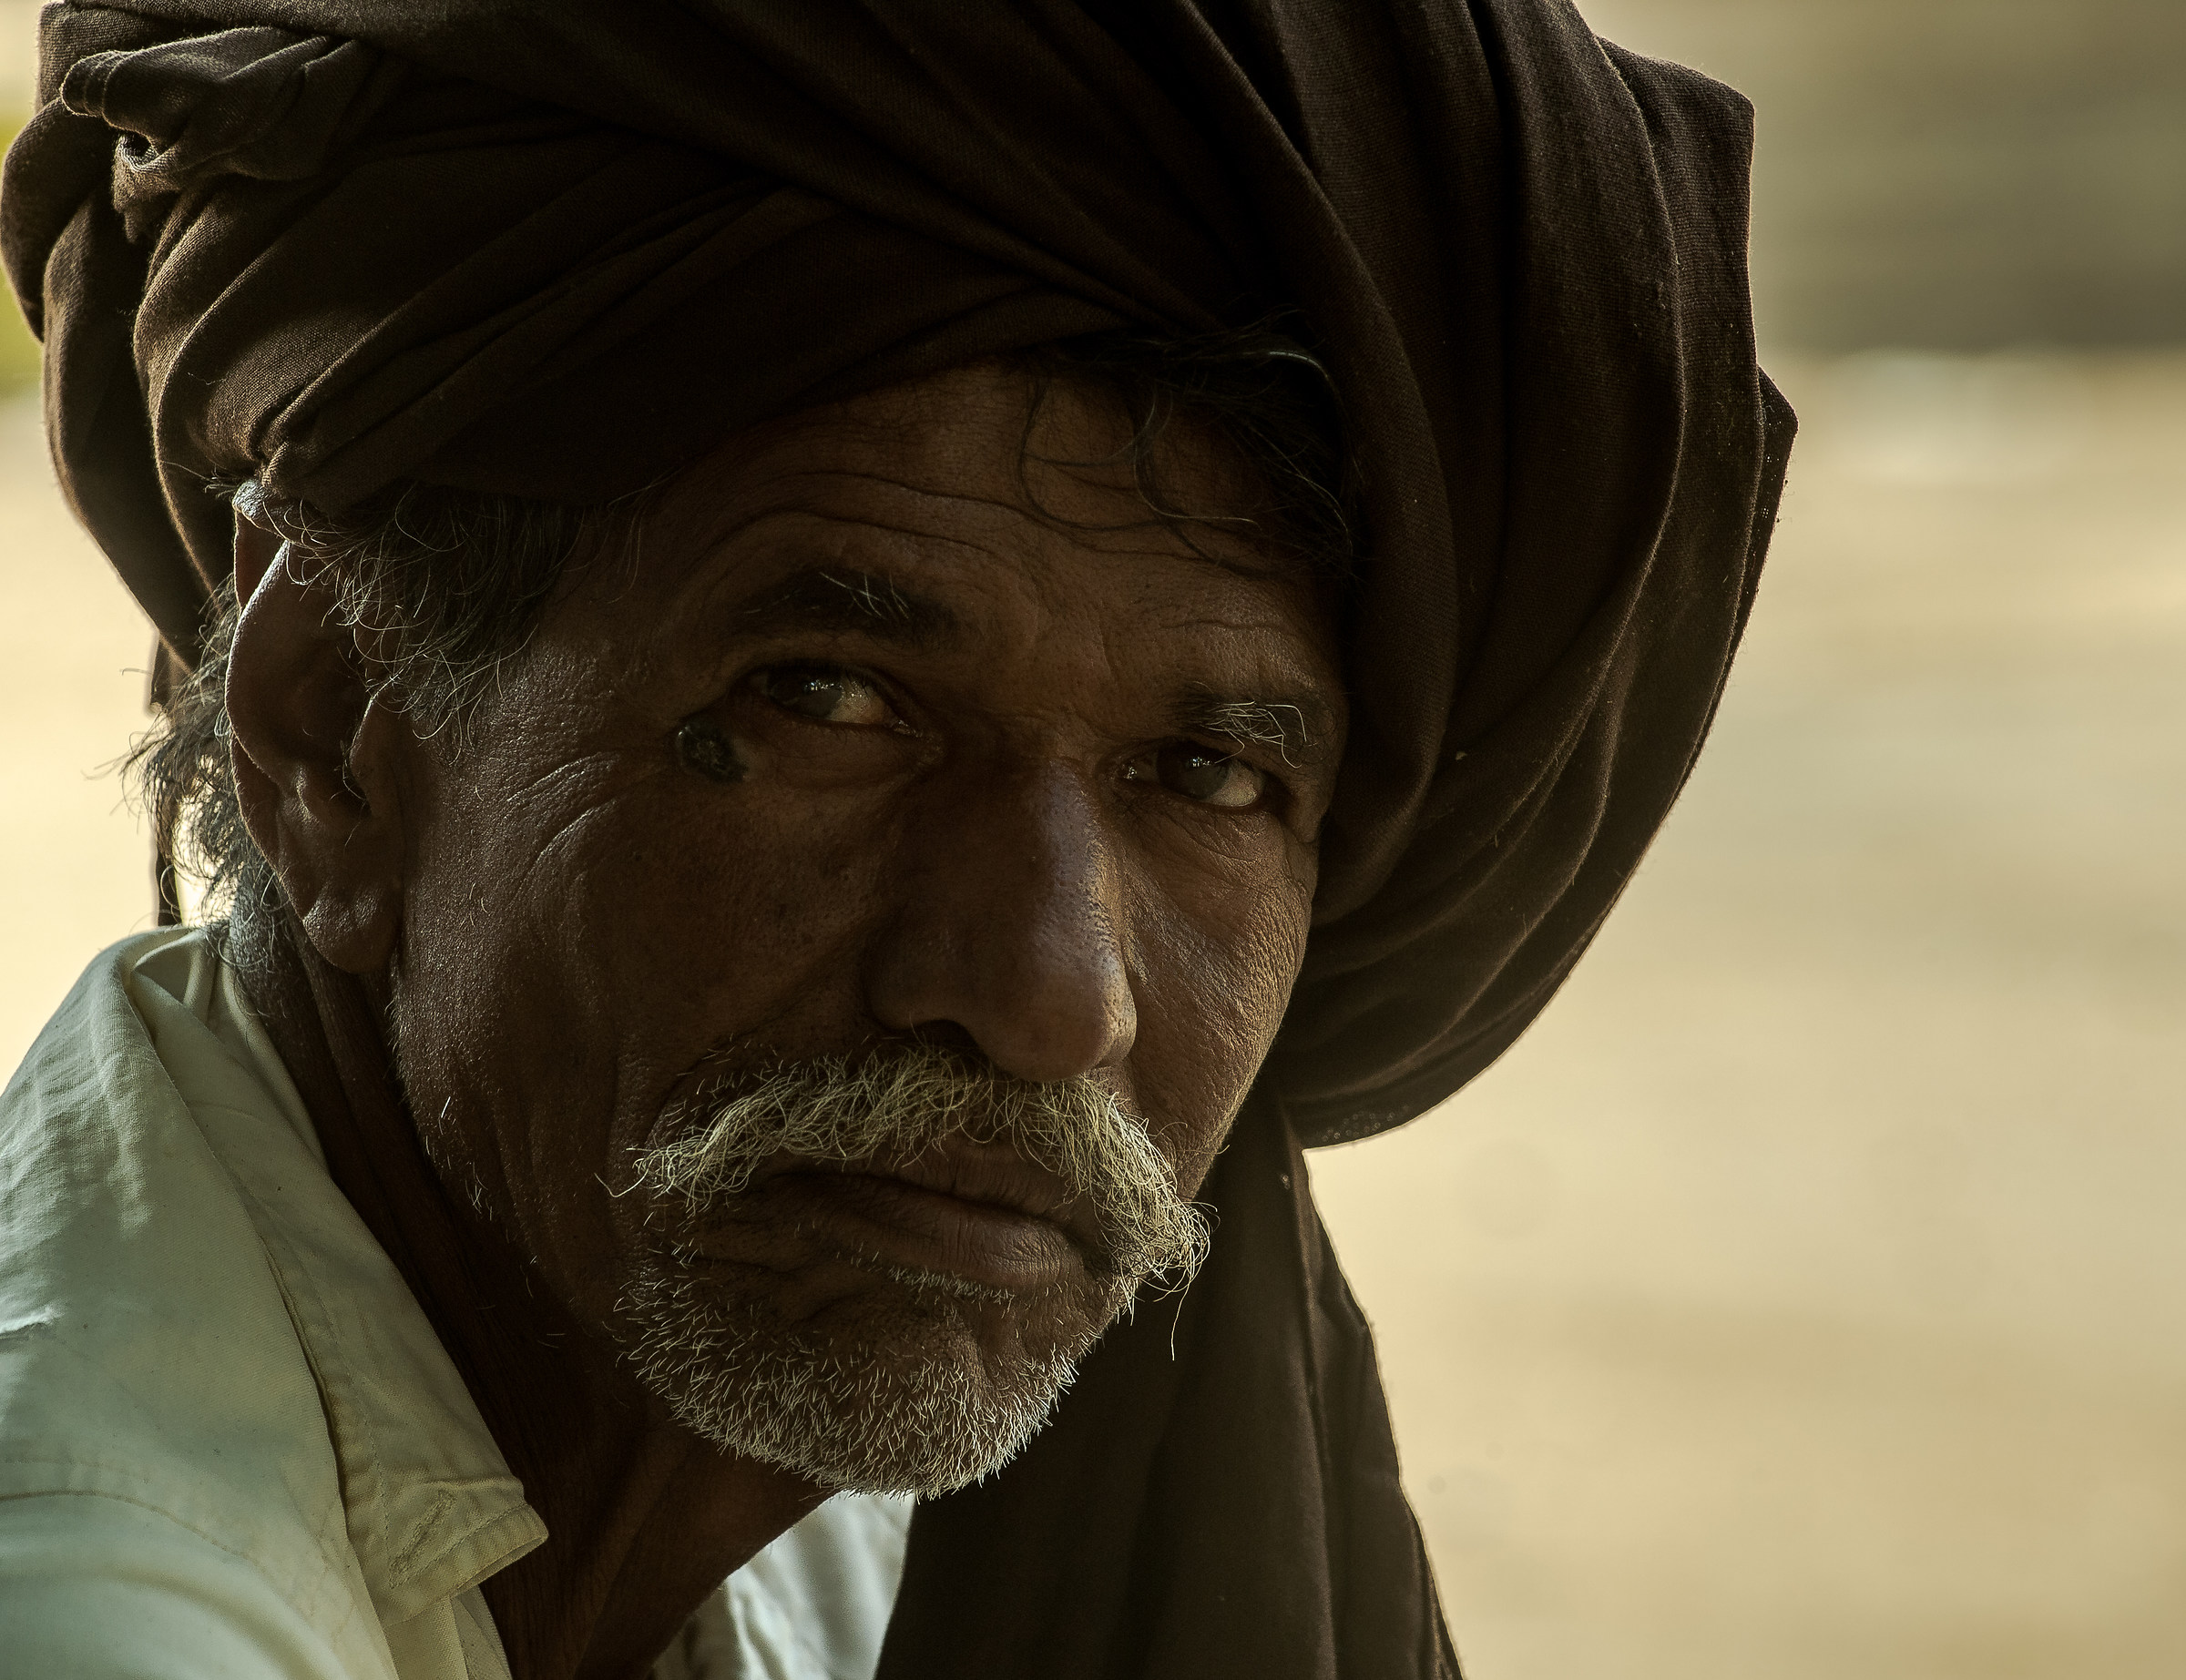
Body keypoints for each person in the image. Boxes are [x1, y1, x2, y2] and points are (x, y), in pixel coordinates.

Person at [0, 4, 1793, 1677]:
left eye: (1212, 776)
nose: (1046, 992)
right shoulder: (102, 1594)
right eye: (830, 699)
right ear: (330, 727)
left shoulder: (771, 1445)